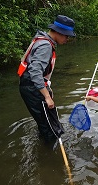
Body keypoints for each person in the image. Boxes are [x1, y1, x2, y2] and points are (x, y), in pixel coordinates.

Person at [19, 15, 76, 143]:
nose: (67, 39)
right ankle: (52, 155)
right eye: (66, 35)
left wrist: (47, 88)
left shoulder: (42, 40)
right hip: (32, 88)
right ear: (57, 32)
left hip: (31, 86)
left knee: (46, 123)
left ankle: (43, 146)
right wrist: (47, 96)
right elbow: (35, 72)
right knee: (51, 129)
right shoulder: (45, 46)